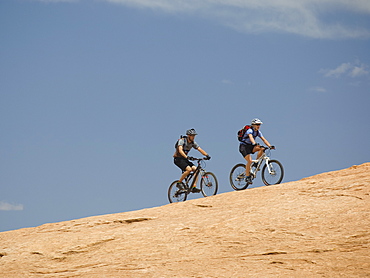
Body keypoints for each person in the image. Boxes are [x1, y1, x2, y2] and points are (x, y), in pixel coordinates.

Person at [173, 128, 210, 193]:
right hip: (178, 159)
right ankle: (179, 183)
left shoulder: (193, 143)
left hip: (185, 159)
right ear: (188, 135)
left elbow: (200, 149)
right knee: (189, 169)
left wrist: (207, 155)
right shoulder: (182, 141)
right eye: (192, 135)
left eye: (194, 135)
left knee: (196, 170)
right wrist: (187, 157)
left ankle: (193, 187)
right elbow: (180, 150)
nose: (193, 137)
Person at [239, 118, 275, 184]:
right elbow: (251, 137)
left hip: (251, 146)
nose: (258, 126)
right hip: (244, 147)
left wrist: (270, 146)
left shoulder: (258, 132)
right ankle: (247, 177)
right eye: (257, 124)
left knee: (262, 148)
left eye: (259, 125)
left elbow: (264, 139)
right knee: (249, 160)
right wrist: (254, 143)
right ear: (253, 125)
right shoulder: (250, 130)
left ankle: (256, 163)